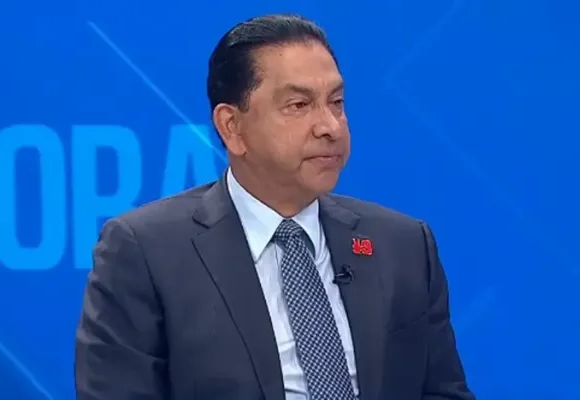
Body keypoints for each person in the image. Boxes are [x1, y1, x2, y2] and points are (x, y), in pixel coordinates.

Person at [74, 13, 475, 400]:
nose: (330, 126)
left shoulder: (403, 245)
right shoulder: (145, 252)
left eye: (336, 102)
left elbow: (443, 391)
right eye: (299, 105)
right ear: (232, 127)